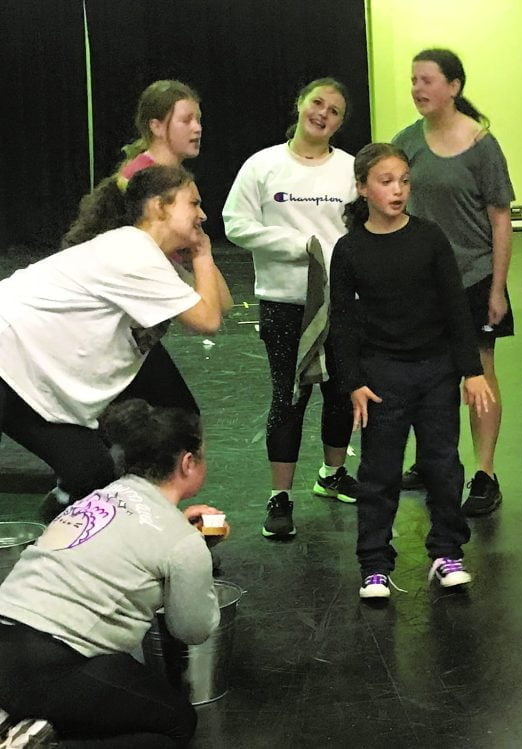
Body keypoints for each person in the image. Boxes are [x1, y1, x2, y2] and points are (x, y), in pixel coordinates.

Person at [0, 399, 227, 746]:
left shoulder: (100, 497)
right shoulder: (181, 542)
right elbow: (192, 630)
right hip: (48, 665)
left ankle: (21, 721)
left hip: (8, 636)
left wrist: (184, 538)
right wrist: (195, 556)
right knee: (176, 724)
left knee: (121, 678)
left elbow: (128, 541)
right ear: (187, 463)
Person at [0, 166, 225, 509]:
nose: (203, 215)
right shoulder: (134, 252)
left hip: (37, 368)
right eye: (193, 203)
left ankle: (75, 513)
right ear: (159, 207)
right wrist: (204, 254)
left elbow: (221, 303)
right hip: (11, 361)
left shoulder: (148, 256)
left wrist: (197, 257)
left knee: (96, 471)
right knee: (92, 475)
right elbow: (206, 320)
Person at [329, 143, 494, 599]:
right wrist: (353, 382)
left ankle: (446, 552)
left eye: (404, 180)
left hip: (435, 371)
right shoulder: (349, 249)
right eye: (386, 181)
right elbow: (341, 322)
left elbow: (455, 306)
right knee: (379, 472)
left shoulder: (429, 238)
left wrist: (471, 370)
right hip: (382, 376)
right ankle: (374, 564)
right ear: (363, 188)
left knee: (443, 465)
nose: (398, 190)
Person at [223, 77, 359, 539]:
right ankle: (279, 497)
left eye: (334, 111)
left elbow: (364, 229)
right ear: (300, 104)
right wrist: (296, 245)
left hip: (341, 303)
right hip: (284, 303)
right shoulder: (262, 165)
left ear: (340, 123)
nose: (323, 114)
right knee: (290, 396)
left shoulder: (350, 169)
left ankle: (332, 474)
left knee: (340, 392)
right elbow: (235, 224)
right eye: (317, 103)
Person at [392, 48, 514, 517]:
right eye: (413, 80)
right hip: (423, 283)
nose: (417, 89)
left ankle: (484, 474)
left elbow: (501, 219)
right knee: (427, 374)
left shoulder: (482, 145)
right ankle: (430, 461)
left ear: (454, 86)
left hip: (474, 276)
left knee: (478, 372)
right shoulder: (406, 142)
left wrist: (497, 287)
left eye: (427, 80)